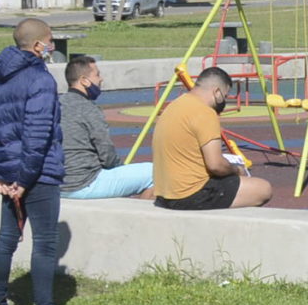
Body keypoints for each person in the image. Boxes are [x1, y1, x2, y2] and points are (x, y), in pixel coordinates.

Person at [0, 19, 76, 305]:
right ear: (37, 46)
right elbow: (38, 134)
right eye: (50, 41)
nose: (52, 47)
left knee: (6, 239)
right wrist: (26, 178)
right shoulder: (40, 79)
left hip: (7, 175)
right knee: (45, 244)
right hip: (37, 174)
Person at [152, 65, 275, 211]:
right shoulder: (205, 112)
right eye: (225, 95)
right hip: (189, 195)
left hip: (165, 193)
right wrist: (237, 170)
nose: (224, 100)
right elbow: (215, 165)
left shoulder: (174, 106)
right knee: (263, 189)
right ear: (216, 92)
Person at [61, 55, 154, 200]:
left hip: (58, 184)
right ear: (84, 81)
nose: (101, 79)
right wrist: (119, 169)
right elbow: (107, 154)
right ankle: (139, 217)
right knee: (157, 172)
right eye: (97, 75)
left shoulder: (56, 104)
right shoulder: (89, 109)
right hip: (84, 183)